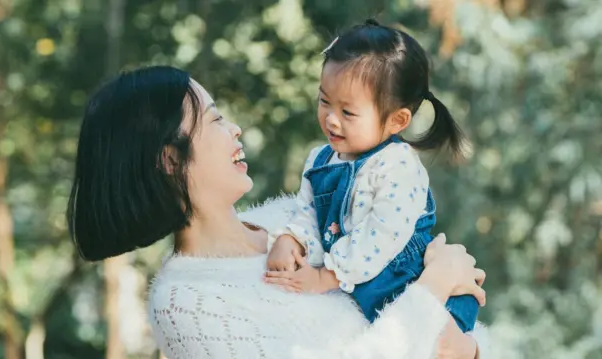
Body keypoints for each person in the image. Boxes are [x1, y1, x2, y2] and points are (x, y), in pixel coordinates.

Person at [67, 65, 489, 359]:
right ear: (170, 160)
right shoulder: (185, 303)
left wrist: (467, 349)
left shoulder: (293, 221)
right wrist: (433, 286)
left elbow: (445, 328)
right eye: (213, 120)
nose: (234, 129)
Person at [266, 19, 479, 331]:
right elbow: (309, 214)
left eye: (348, 112)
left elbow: (380, 235)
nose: (331, 119)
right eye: (324, 101)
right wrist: (292, 239)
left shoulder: (398, 166)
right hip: (355, 287)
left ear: (397, 120)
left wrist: (326, 277)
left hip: (408, 285)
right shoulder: (320, 159)